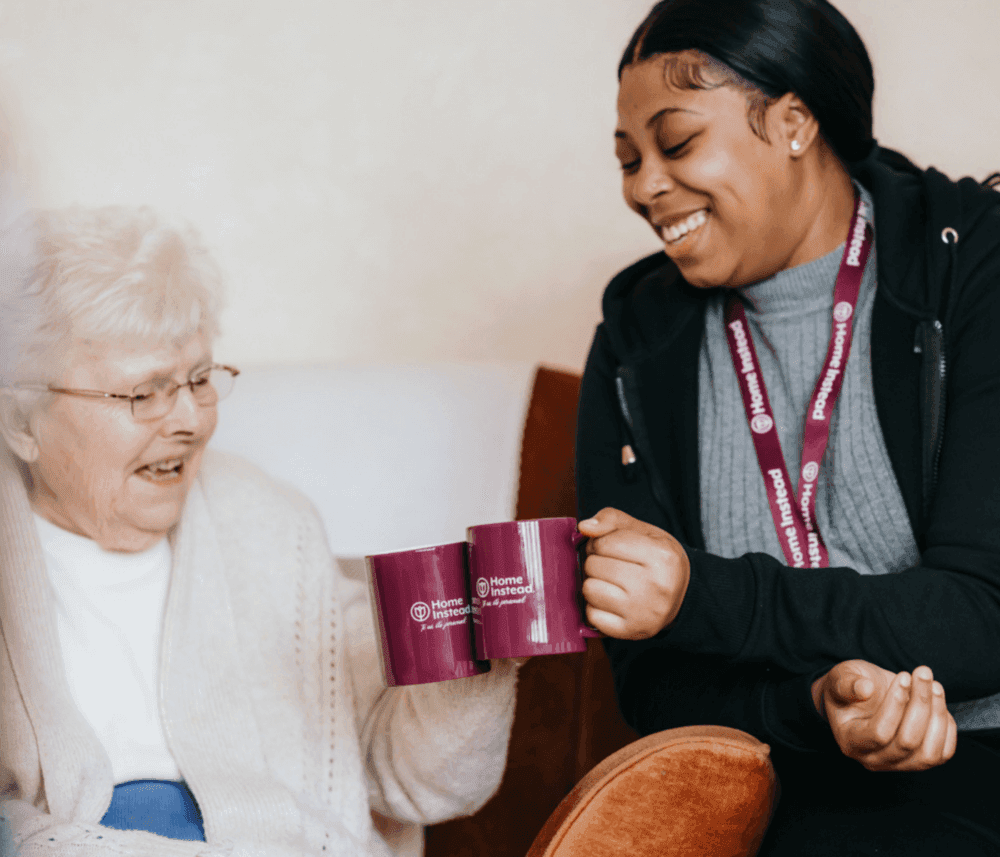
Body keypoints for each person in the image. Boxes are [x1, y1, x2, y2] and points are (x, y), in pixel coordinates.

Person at [574, 0, 1000, 852]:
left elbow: (982, 615)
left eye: (678, 141)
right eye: (628, 160)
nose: (643, 186)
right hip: (767, 776)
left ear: (795, 119)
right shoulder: (635, 340)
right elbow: (650, 681)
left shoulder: (970, 268)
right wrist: (812, 705)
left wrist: (700, 591)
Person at [0, 207, 520, 856]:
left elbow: (418, 784)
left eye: (198, 379)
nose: (189, 418)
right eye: (145, 394)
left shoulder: (271, 524)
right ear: (22, 420)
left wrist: (481, 662)